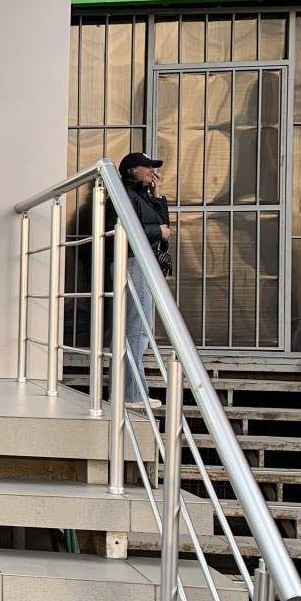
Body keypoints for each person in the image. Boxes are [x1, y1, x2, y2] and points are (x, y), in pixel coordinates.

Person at [109, 152, 173, 410]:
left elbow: (163, 227)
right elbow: (125, 227)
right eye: (147, 167)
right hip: (134, 262)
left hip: (141, 262)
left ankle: (127, 391)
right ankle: (133, 395)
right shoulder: (123, 194)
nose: (152, 171)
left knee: (135, 328)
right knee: (137, 329)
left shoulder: (141, 195)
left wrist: (157, 195)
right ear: (131, 170)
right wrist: (158, 231)